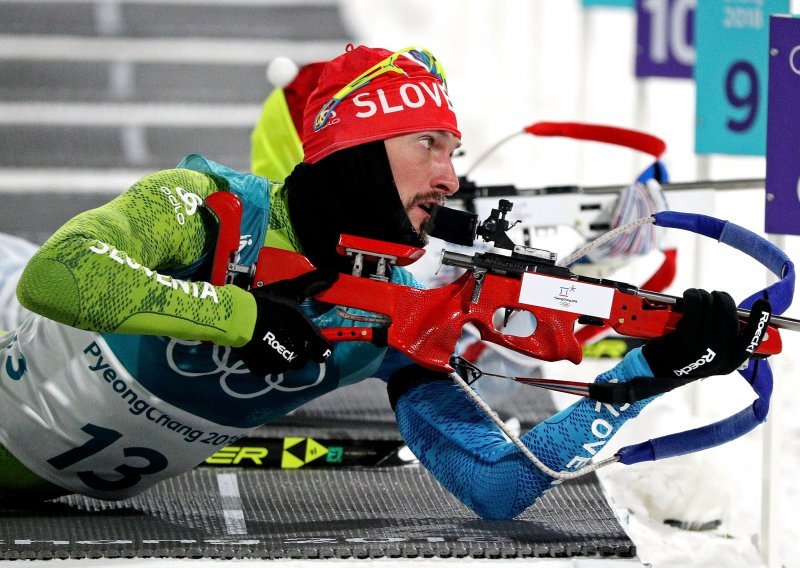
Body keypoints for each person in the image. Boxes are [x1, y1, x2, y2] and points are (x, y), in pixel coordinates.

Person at [0, 44, 770, 519]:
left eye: (454, 149)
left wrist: (644, 378)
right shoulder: (207, 206)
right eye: (429, 144)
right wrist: (243, 318)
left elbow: (497, 486)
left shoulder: (405, 312)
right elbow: (55, 279)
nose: (451, 174)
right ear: (360, 150)